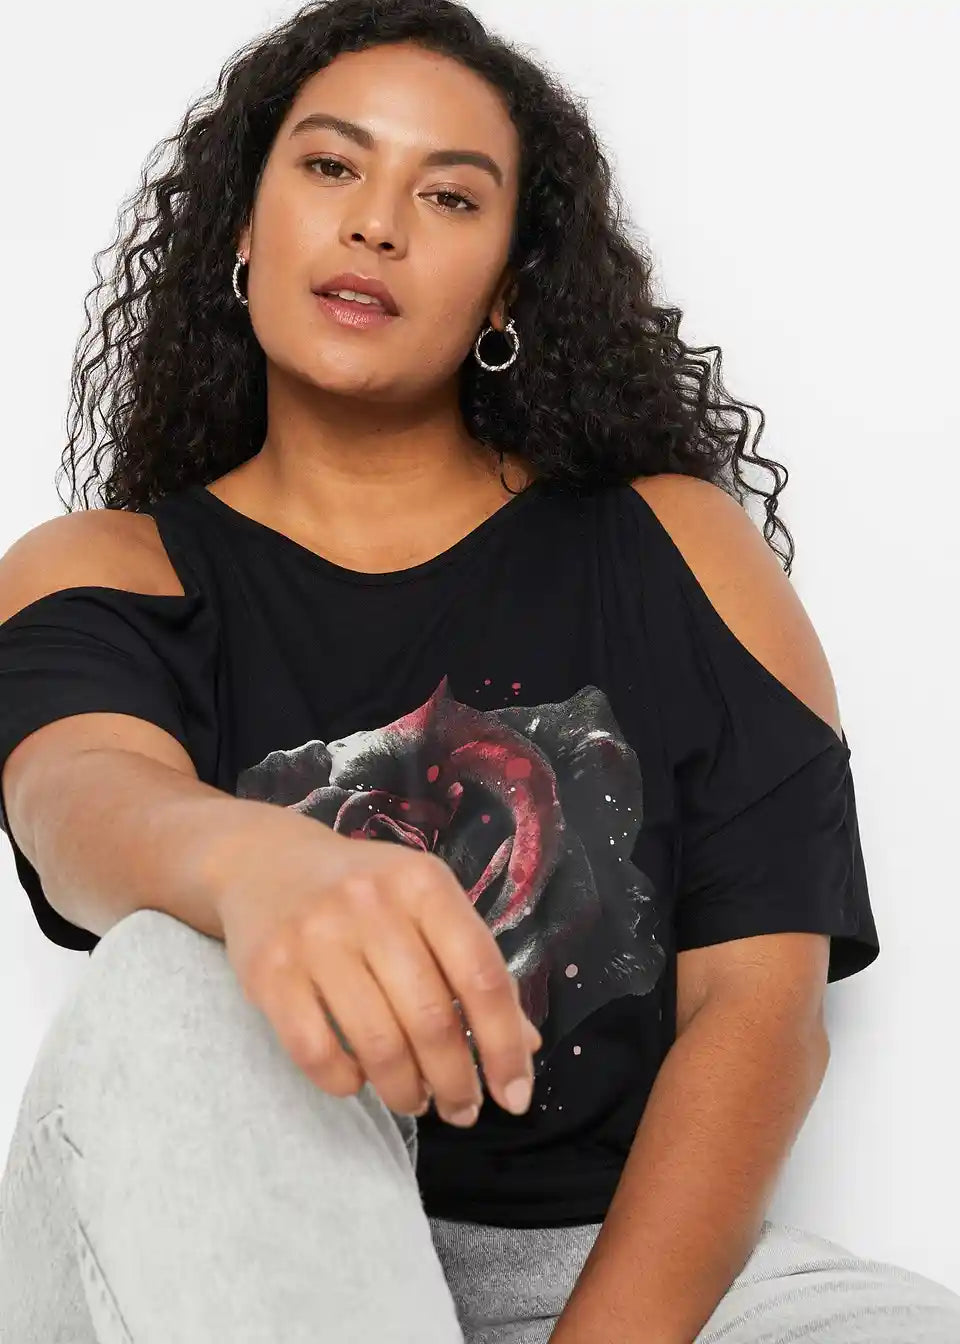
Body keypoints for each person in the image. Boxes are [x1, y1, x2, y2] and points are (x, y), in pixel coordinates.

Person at [0, 1, 956, 1340]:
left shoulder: (675, 548)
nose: (376, 225)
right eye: (329, 166)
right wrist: (254, 865)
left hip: (642, 1282)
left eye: (448, 196)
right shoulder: (107, 567)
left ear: (508, 287)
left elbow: (760, 1010)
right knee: (169, 969)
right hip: (231, 1241)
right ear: (241, 227)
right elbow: (75, 797)